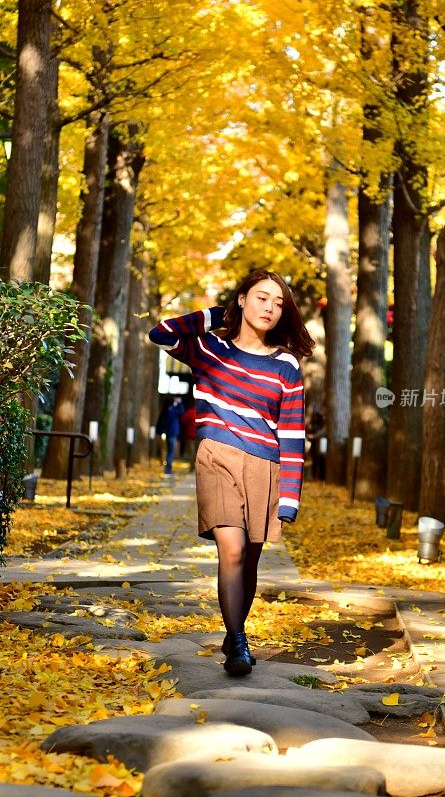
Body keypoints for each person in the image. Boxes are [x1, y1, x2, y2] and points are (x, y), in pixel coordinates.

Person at [149, 269, 314, 676]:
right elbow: (161, 332)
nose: (270, 309)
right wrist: (216, 314)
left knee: (251, 561)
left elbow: (292, 436)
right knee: (234, 550)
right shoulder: (210, 349)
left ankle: (233, 629)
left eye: (278, 303)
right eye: (261, 298)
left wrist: (290, 496)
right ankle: (238, 643)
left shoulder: (286, 365)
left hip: (265, 465)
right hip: (217, 458)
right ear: (242, 299)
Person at [162, 395, 184, 474]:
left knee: (169, 451)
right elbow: (181, 411)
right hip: (172, 434)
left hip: (169, 433)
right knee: (171, 452)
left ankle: (168, 469)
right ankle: (168, 469)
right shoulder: (172, 411)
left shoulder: (169, 410)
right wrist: (179, 403)